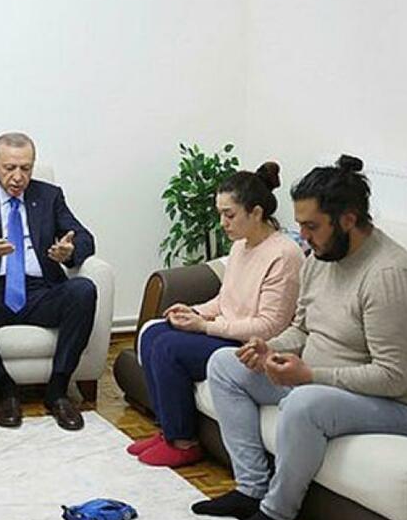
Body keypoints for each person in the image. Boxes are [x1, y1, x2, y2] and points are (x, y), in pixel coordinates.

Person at [192, 155, 407, 520]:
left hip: (405, 405)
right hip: (326, 379)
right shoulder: (321, 258)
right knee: (225, 364)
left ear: (347, 220)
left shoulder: (389, 276)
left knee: (304, 403)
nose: (303, 238)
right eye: (301, 226)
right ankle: (251, 490)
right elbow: (302, 328)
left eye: (311, 227)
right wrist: (268, 346)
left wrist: (309, 375)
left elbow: (393, 376)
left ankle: (276, 514)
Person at [129, 163, 303, 467]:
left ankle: (184, 442)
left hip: (251, 348)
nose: (222, 222)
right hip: (226, 332)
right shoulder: (240, 246)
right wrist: (194, 311)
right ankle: (168, 430)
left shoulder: (284, 255)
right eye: (220, 213)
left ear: (257, 213)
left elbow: (270, 326)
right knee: (154, 332)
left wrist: (206, 327)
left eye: (229, 214)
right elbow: (226, 299)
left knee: (168, 347)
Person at [0, 132, 97, 430]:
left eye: (26, 168)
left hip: (41, 293)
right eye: (10, 168)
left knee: (84, 290)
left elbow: (86, 238)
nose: (18, 177)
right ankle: (4, 388)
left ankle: (58, 389)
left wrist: (70, 251)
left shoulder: (49, 196)